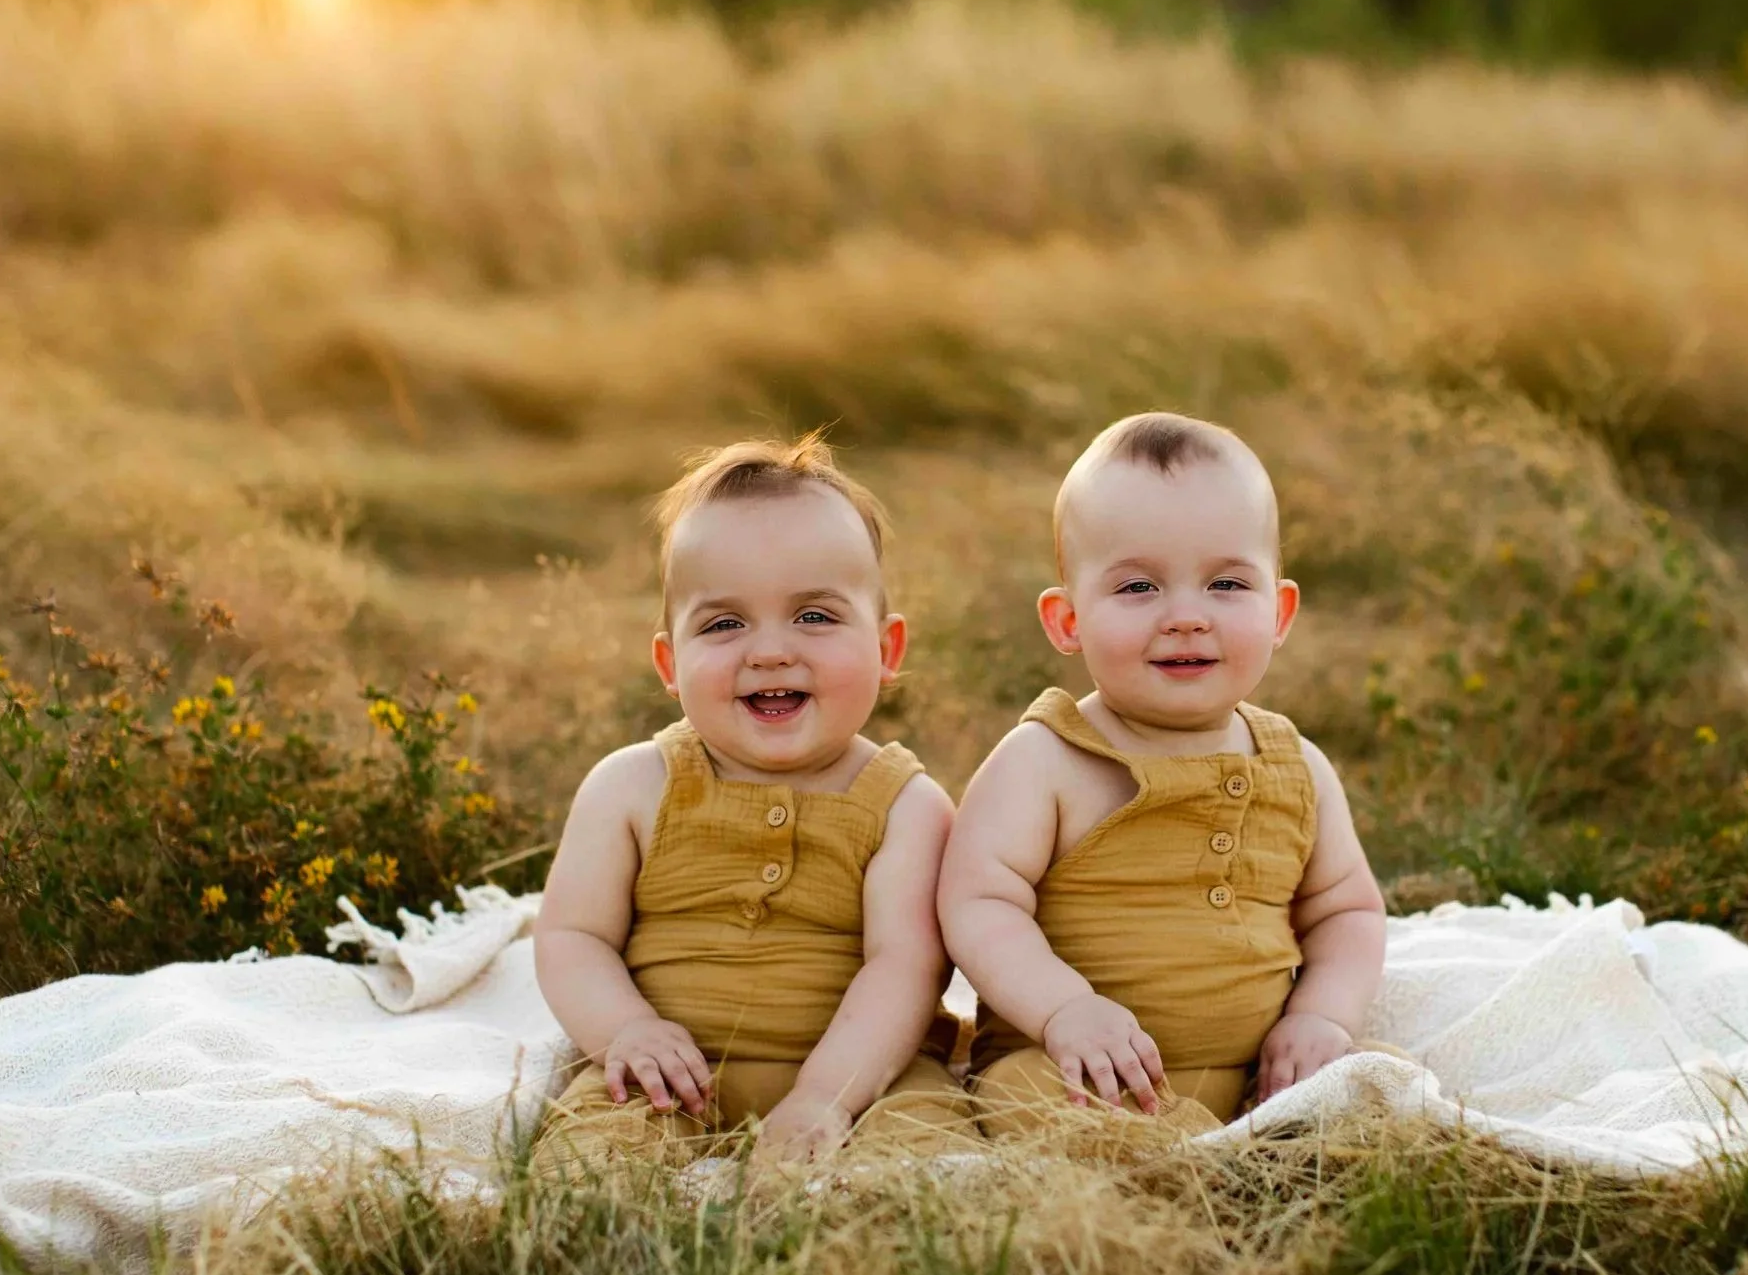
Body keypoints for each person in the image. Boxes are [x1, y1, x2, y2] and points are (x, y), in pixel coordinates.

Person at [939, 412, 1389, 1148]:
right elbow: (975, 901)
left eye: (1226, 583)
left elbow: (1348, 911)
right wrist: (1063, 1010)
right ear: (1067, 619)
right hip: (1074, 1066)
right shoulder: (1046, 759)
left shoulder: (1297, 764)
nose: (1186, 617)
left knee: (1382, 1090)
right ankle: (1208, 1169)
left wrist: (1323, 1018)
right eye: (1140, 586)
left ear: (1279, 611)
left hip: (1259, 1073)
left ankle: (1255, 1146)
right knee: (1039, 1104)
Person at [532, 434, 974, 1168]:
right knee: (591, 1159)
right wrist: (626, 1032)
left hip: (864, 1080)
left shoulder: (907, 806)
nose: (770, 651)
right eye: (725, 623)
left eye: (815, 616)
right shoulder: (633, 786)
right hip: (668, 1077)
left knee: (929, 1154)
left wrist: (825, 1096)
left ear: (887, 648)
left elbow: (905, 969)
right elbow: (571, 937)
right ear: (670, 662)